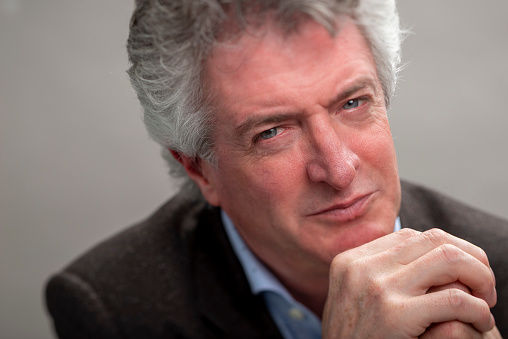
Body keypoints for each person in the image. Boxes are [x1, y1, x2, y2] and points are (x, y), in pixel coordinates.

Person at [45, 0, 507, 338]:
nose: (339, 169)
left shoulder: (501, 267)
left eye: (353, 102)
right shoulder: (113, 308)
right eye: (271, 132)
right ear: (199, 170)